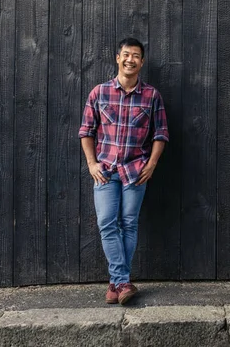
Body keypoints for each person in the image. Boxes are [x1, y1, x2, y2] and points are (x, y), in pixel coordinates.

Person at [78, 38, 169, 305]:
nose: (131, 60)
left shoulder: (152, 96)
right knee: (107, 223)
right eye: (126, 54)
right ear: (118, 57)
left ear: (142, 61)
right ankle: (122, 281)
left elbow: (161, 134)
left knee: (128, 224)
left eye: (136, 56)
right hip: (105, 170)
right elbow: (86, 131)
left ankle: (117, 283)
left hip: (136, 170)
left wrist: (151, 165)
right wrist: (91, 163)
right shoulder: (99, 92)